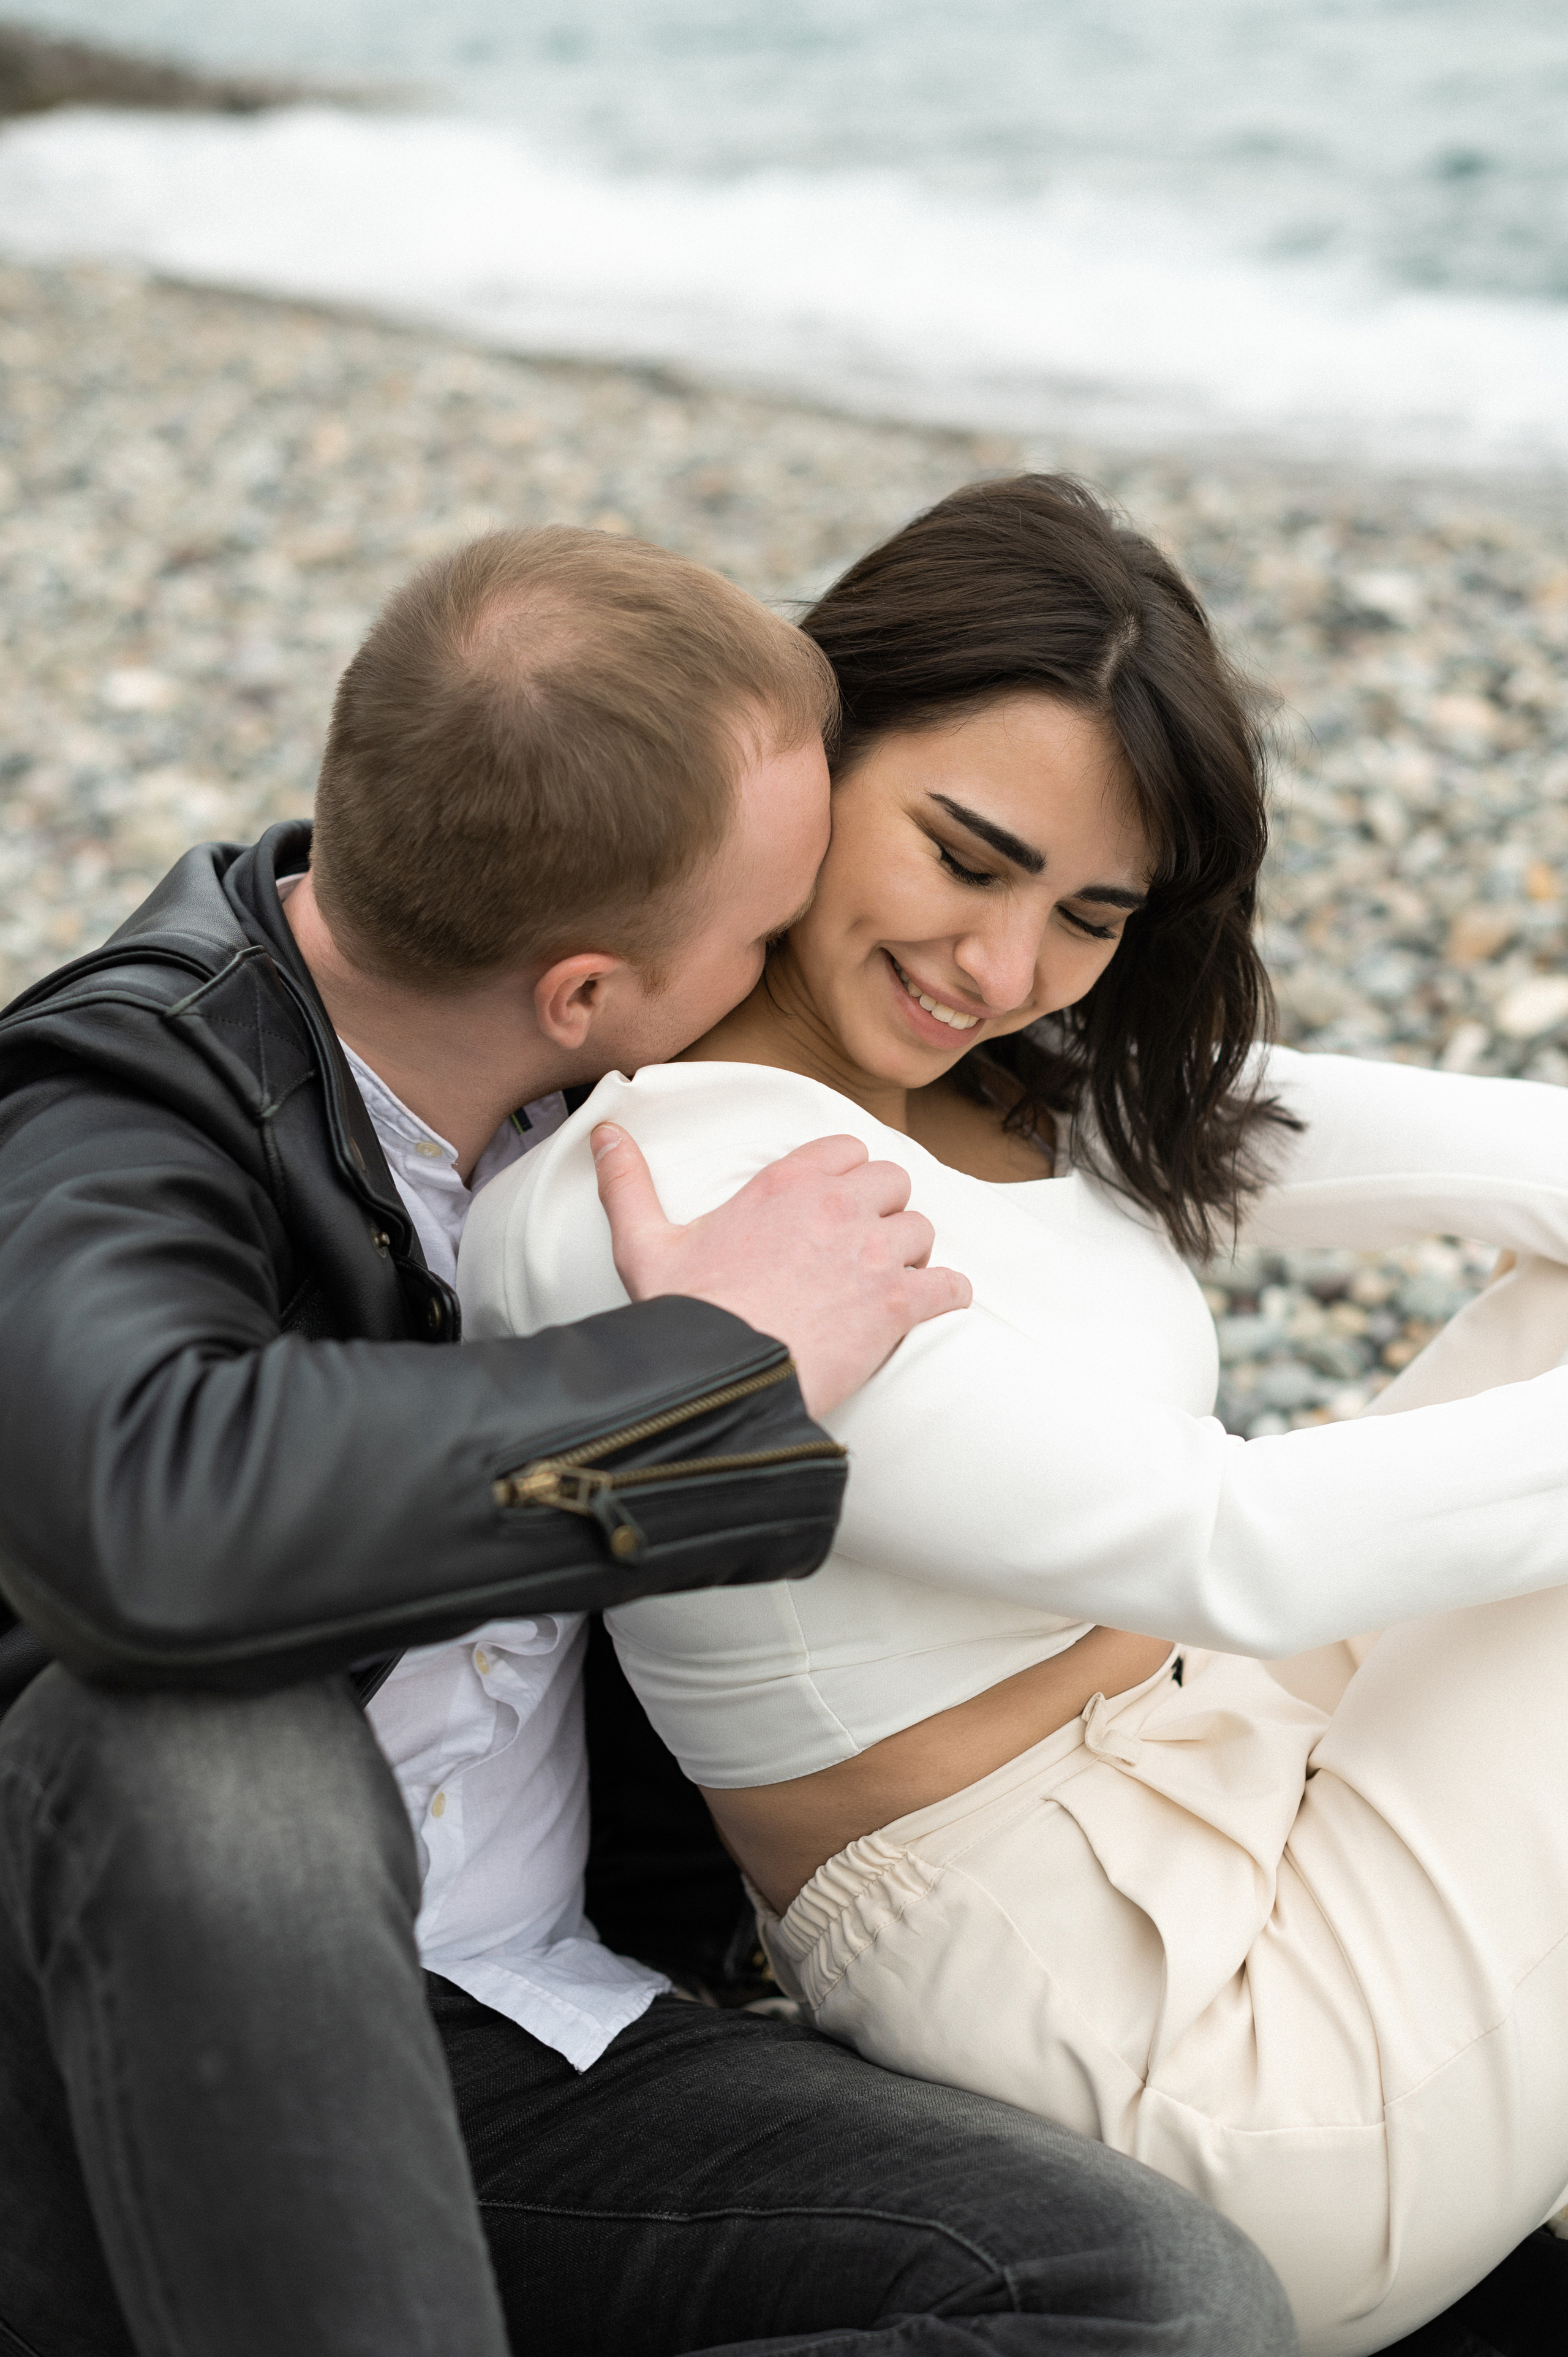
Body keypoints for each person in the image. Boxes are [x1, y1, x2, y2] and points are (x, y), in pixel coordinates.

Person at [0, 523, 1294, 2357]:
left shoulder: (598, 1073)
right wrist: (711, 1369)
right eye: (769, 933)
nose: (802, 973)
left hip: (538, 2040)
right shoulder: (122, 1102)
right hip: (119, 2058)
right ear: (591, 988)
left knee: (1161, 2306)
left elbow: (1153, 1120)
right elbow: (137, 1512)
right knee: (206, 1747)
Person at [459, 476, 1568, 2357]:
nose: (1004, 966)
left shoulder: (1024, 1074)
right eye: (963, 857)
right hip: (1162, 2040)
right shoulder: (684, 1207)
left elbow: (1538, 1161)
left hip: (1239, 1769)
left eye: (1089, 912)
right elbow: (1241, 1541)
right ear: (813, 758)